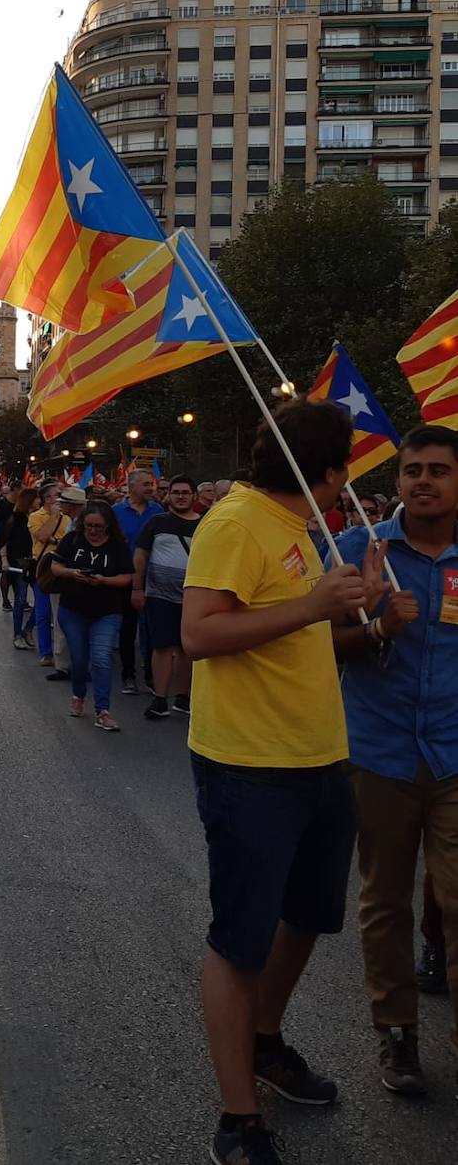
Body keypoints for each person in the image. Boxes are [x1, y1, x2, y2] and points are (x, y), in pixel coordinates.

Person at [181, 399, 371, 1165]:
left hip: (320, 757)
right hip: (249, 765)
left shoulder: (301, 532)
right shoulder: (234, 522)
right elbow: (199, 634)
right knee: (240, 940)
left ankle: (265, 1042)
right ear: (330, 474)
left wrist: (370, 619)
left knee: (310, 917)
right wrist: (313, 605)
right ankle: (239, 1120)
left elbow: (307, 639)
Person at [331, 425, 458, 1097]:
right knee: (384, 902)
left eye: (438, 470)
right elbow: (321, 645)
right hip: (379, 753)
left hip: (455, 756)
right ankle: (397, 1033)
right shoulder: (360, 548)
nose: (424, 481)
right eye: (413, 470)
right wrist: (377, 622)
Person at [51, 499, 133, 731]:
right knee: (79, 659)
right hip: (73, 609)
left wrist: (104, 580)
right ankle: (78, 695)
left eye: (98, 527)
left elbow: (127, 577)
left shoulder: (117, 546)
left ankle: (103, 710)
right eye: (88, 526)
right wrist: (71, 573)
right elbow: (54, 567)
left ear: (108, 526)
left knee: (101, 658)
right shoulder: (72, 540)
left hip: (107, 611)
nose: (93, 531)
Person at [132, 473, 202, 720]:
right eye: (176, 493)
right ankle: (160, 699)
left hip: (193, 597)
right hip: (159, 596)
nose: (181, 497)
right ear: (169, 496)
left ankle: (183, 698)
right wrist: (137, 589)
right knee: (161, 646)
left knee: (187, 649)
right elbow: (140, 556)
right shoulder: (156, 522)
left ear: (194, 496)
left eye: (185, 493)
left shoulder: (206, 524)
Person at [112, 468, 164, 696]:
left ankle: (152, 676)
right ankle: (128, 675)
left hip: (154, 577)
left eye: (151, 484)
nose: (151, 488)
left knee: (152, 629)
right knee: (127, 628)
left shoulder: (158, 511)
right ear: (131, 486)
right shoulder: (115, 512)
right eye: (145, 484)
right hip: (125, 577)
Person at [27, 482, 69, 669]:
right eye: (56, 495)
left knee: (62, 613)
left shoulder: (68, 517)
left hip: (62, 567)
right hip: (43, 567)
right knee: (43, 611)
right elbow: (42, 536)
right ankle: (46, 653)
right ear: (47, 499)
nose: (60, 498)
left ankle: (63, 653)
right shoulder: (35, 517)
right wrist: (53, 517)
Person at [4, 487, 39, 650]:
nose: (40, 501)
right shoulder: (15, 519)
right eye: (37, 498)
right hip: (20, 564)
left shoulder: (39, 518)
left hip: (37, 563)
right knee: (20, 600)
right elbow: (4, 541)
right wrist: (4, 560)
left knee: (42, 601)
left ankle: (28, 629)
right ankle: (17, 634)